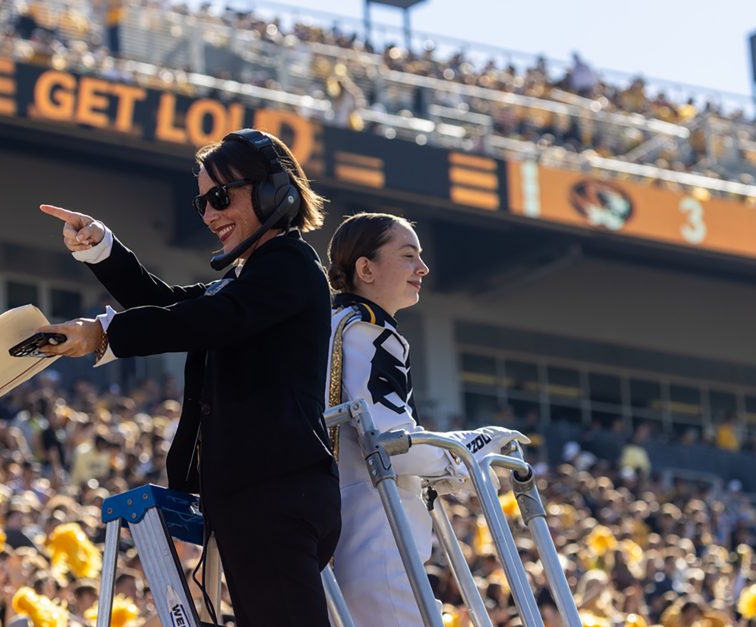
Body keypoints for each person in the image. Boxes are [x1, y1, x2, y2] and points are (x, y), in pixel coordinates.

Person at [37, 129, 341, 626]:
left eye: (220, 197)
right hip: (258, 496)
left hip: (275, 494)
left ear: (272, 189)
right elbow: (172, 304)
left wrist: (101, 334)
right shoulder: (250, 278)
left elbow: (204, 320)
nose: (211, 215)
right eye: (202, 204)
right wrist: (100, 250)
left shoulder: (289, 267)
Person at [325, 213, 527, 627]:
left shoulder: (332, 327)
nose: (423, 268)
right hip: (381, 540)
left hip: (346, 536)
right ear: (366, 268)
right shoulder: (369, 331)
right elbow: (393, 446)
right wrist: (473, 446)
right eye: (408, 255)